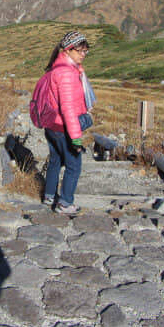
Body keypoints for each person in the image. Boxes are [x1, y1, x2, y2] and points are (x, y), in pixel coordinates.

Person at [41, 31, 96, 215]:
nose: (83, 54)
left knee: (55, 161)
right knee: (73, 166)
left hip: (52, 125)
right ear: (68, 50)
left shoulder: (57, 69)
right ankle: (65, 203)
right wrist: (76, 139)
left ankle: (49, 196)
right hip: (63, 127)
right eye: (80, 50)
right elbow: (68, 110)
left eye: (85, 51)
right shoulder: (67, 73)